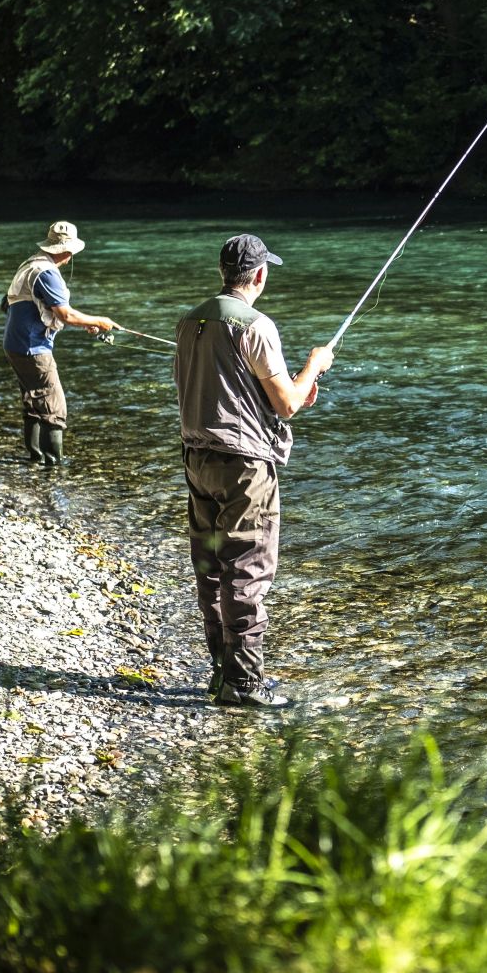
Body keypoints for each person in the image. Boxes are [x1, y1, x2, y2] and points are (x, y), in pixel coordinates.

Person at [173, 233, 333, 709]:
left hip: (197, 459)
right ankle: (243, 685)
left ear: (223, 271)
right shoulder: (257, 326)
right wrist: (314, 366)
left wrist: (294, 388)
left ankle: (223, 672)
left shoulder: (189, 320)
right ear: (260, 275)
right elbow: (286, 404)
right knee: (246, 570)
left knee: (212, 567)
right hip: (243, 467)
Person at [3, 220, 117, 466]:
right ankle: (54, 467)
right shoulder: (47, 273)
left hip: (15, 346)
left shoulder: (29, 265)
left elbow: (10, 304)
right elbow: (65, 314)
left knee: (34, 402)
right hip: (33, 349)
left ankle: (35, 459)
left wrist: (84, 322)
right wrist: (100, 320)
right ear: (68, 251)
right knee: (55, 409)